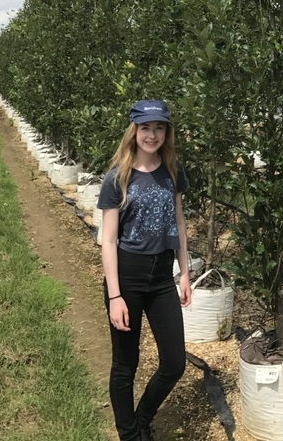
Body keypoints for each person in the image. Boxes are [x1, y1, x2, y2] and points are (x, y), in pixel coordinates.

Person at [98, 99, 191, 441]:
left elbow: (179, 222)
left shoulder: (172, 171)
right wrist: (115, 295)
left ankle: (142, 417)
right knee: (126, 365)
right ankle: (130, 434)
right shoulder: (117, 178)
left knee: (174, 363)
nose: (152, 134)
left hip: (162, 277)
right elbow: (108, 241)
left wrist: (184, 273)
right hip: (128, 277)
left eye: (159, 127)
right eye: (145, 127)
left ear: (166, 132)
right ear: (134, 131)